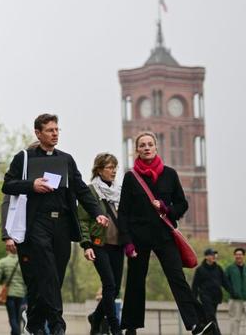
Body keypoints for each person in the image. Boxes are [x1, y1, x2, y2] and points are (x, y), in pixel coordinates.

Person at [2, 114, 108, 335]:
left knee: (55, 277)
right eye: (50, 130)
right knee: (47, 272)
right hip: (37, 223)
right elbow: (8, 186)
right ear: (38, 133)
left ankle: (35, 323)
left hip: (62, 224)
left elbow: (81, 189)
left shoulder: (66, 159)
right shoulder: (24, 158)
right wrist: (32, 185)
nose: (55, 134)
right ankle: (57, 325)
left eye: (57, 130)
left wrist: (97, 212)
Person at [118, 131, 208, 335]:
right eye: (142, 145)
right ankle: (130, 327)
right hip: (138, 238)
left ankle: (195, 323)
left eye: (150, 144)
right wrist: (127, 242)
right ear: (137, 151)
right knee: (135, 280)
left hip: (164, 235)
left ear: (156, 147)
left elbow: (182, 204)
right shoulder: (131, 177)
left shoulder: (170, 174)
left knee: (177, 277)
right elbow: (123, 213)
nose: (147, 148)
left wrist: (167, 209)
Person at [78, 152, 124, 335]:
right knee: (109, 285)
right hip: (99, 244)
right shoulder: (90, 191)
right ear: (99, 170)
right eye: (109, 167)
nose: (113, 171)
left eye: (115, 167)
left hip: (118, 245)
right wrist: (86, 244)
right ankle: (114, 327)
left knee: (116, 289)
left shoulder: (119, 192)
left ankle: (95, 318)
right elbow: (82, 220)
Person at [191, 249, 226, 335]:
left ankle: (208, 332)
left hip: (216, 298)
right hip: (205, 296)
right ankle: (217, 333)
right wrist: (193, 299)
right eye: (211, 254)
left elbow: (225, 282)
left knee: (210, 317)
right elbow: (195, 285)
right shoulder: (200, 270)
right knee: (211, 316)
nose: (214, 256)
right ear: (206, 257)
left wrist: (233, 291)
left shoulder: (219, 269)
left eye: (215, 254)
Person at [224, 248, 246, 335]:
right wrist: (232, 291)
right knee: (235, 320)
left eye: (240, 254)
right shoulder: (230, 269)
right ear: (234, 256)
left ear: (243, 256)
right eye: (237, 254)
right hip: (235, 299)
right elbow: (224, 281)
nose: (238, 256)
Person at [0, 252, 26, 335]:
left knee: (12, 318)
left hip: (9, 294)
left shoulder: (3, 262)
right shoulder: (23, 261)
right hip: (21, 293)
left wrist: (3, 280)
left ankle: (17, 333)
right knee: (18, 318)